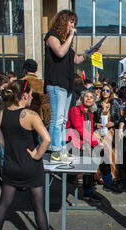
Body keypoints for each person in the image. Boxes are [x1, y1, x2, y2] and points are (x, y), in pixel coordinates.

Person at [0, 80, 63, 230]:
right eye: (30, 93)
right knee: (38, 204)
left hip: (11, 164)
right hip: (30, 165)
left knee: (4, 202)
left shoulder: (2, 114)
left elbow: (2, 142)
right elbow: (47, 139)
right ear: (24, 95)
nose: (31, 97)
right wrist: (37, 154)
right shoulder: (30, 115)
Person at [44, 10, 90, 164]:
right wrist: (71, 36)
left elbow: (75, 60)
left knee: (63, 120)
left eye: (74, 23)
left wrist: (88, 54)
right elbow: (59, 52)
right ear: (63, 21)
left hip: (67, 84)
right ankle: (55, 152)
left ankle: (62, 150)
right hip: (56, 84)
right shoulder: (52, 37)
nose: (73, 25)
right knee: (57, 119)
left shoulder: (66, 43)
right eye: (71, 22)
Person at [66, 90, 121, 204]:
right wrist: (94, 143)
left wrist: (96, 143)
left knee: (102, 153)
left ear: (94, 101)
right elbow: (79, 129)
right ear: (81, 98)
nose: (89, 99)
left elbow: (90, 132)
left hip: (84, 143)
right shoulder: (75, 110)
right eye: (86, 96)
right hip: (73, 144)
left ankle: (108, 183)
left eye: (91, 97)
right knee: (89, 159)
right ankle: (88, 191)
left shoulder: (90, 114)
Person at [21, 59, 51, 129]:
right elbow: (46, 106)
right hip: (39, 118)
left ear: (25, 69)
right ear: (36, 70)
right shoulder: (42, 83)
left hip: (24, 117)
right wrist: (47, 123)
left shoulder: (20, 82)